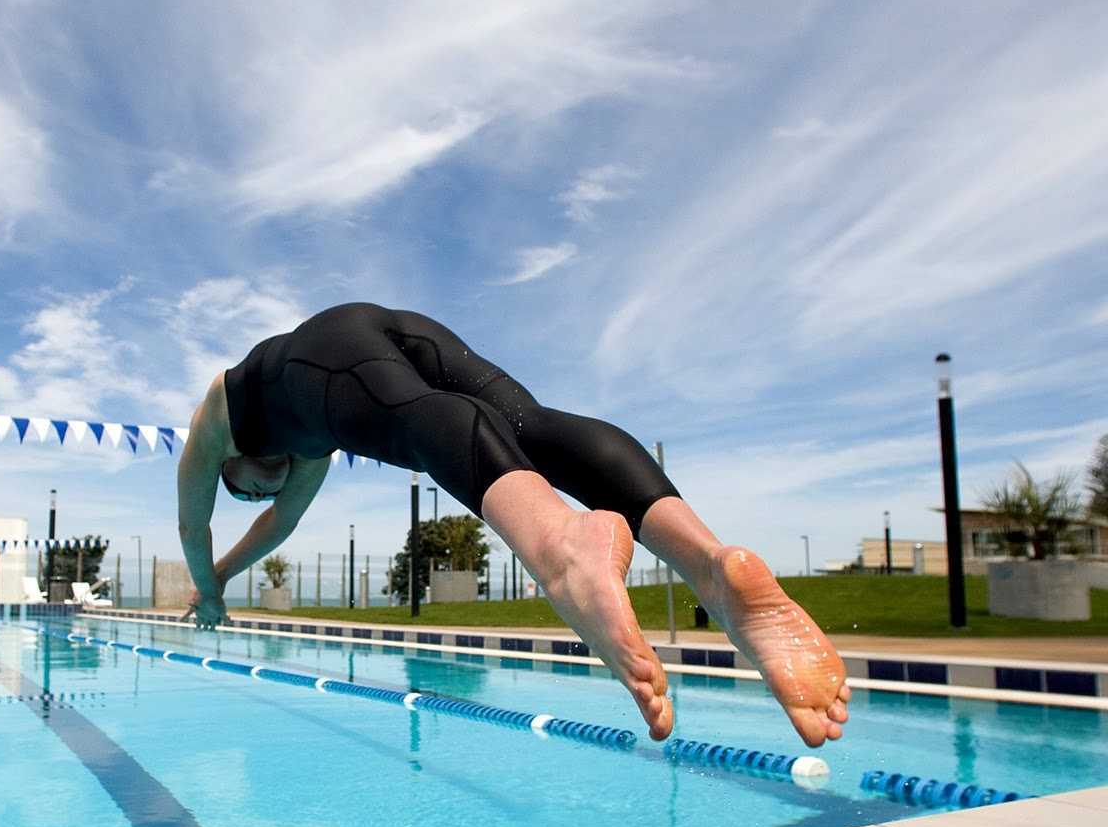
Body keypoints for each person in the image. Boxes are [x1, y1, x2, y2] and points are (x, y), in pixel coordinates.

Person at [176, 302, 850, 748]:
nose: (262, 492)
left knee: (417, 415)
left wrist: (207, 590)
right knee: (533, 426)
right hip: (393, 324)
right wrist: (223, 582)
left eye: (244, 492)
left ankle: (561, 543)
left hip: (327, 351)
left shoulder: (214, 424)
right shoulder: (309, 456)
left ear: (231, 469)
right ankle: (710, 563)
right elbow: (276, 528)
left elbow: (192, 528)